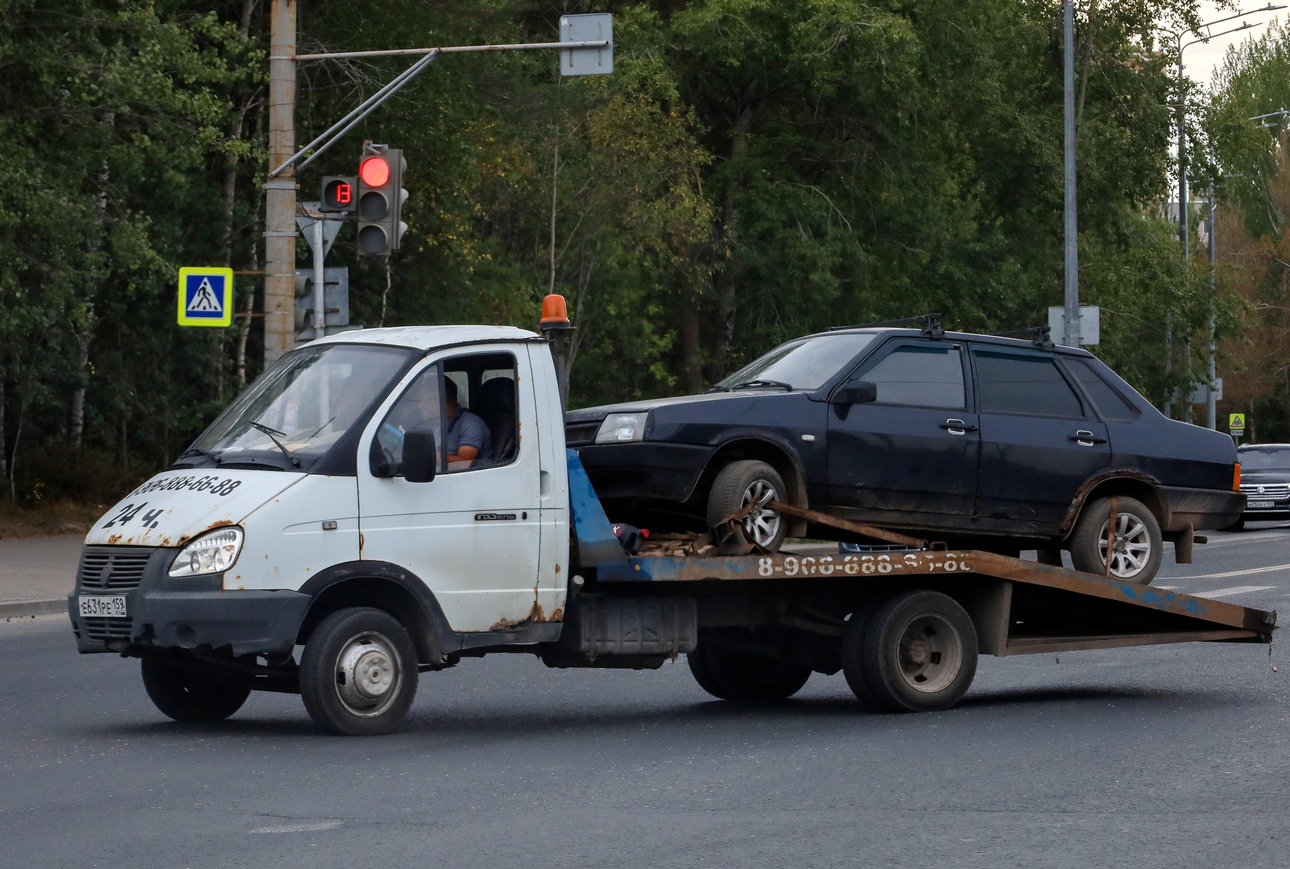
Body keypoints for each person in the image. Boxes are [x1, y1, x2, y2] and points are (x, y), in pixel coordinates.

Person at [442, 377, 491, 467]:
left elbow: (464, 463)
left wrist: (435, 457)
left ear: (438, 400)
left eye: (423, 400)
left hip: (470, 479)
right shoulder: (438, 423)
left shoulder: (471, 424)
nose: (420, 405)